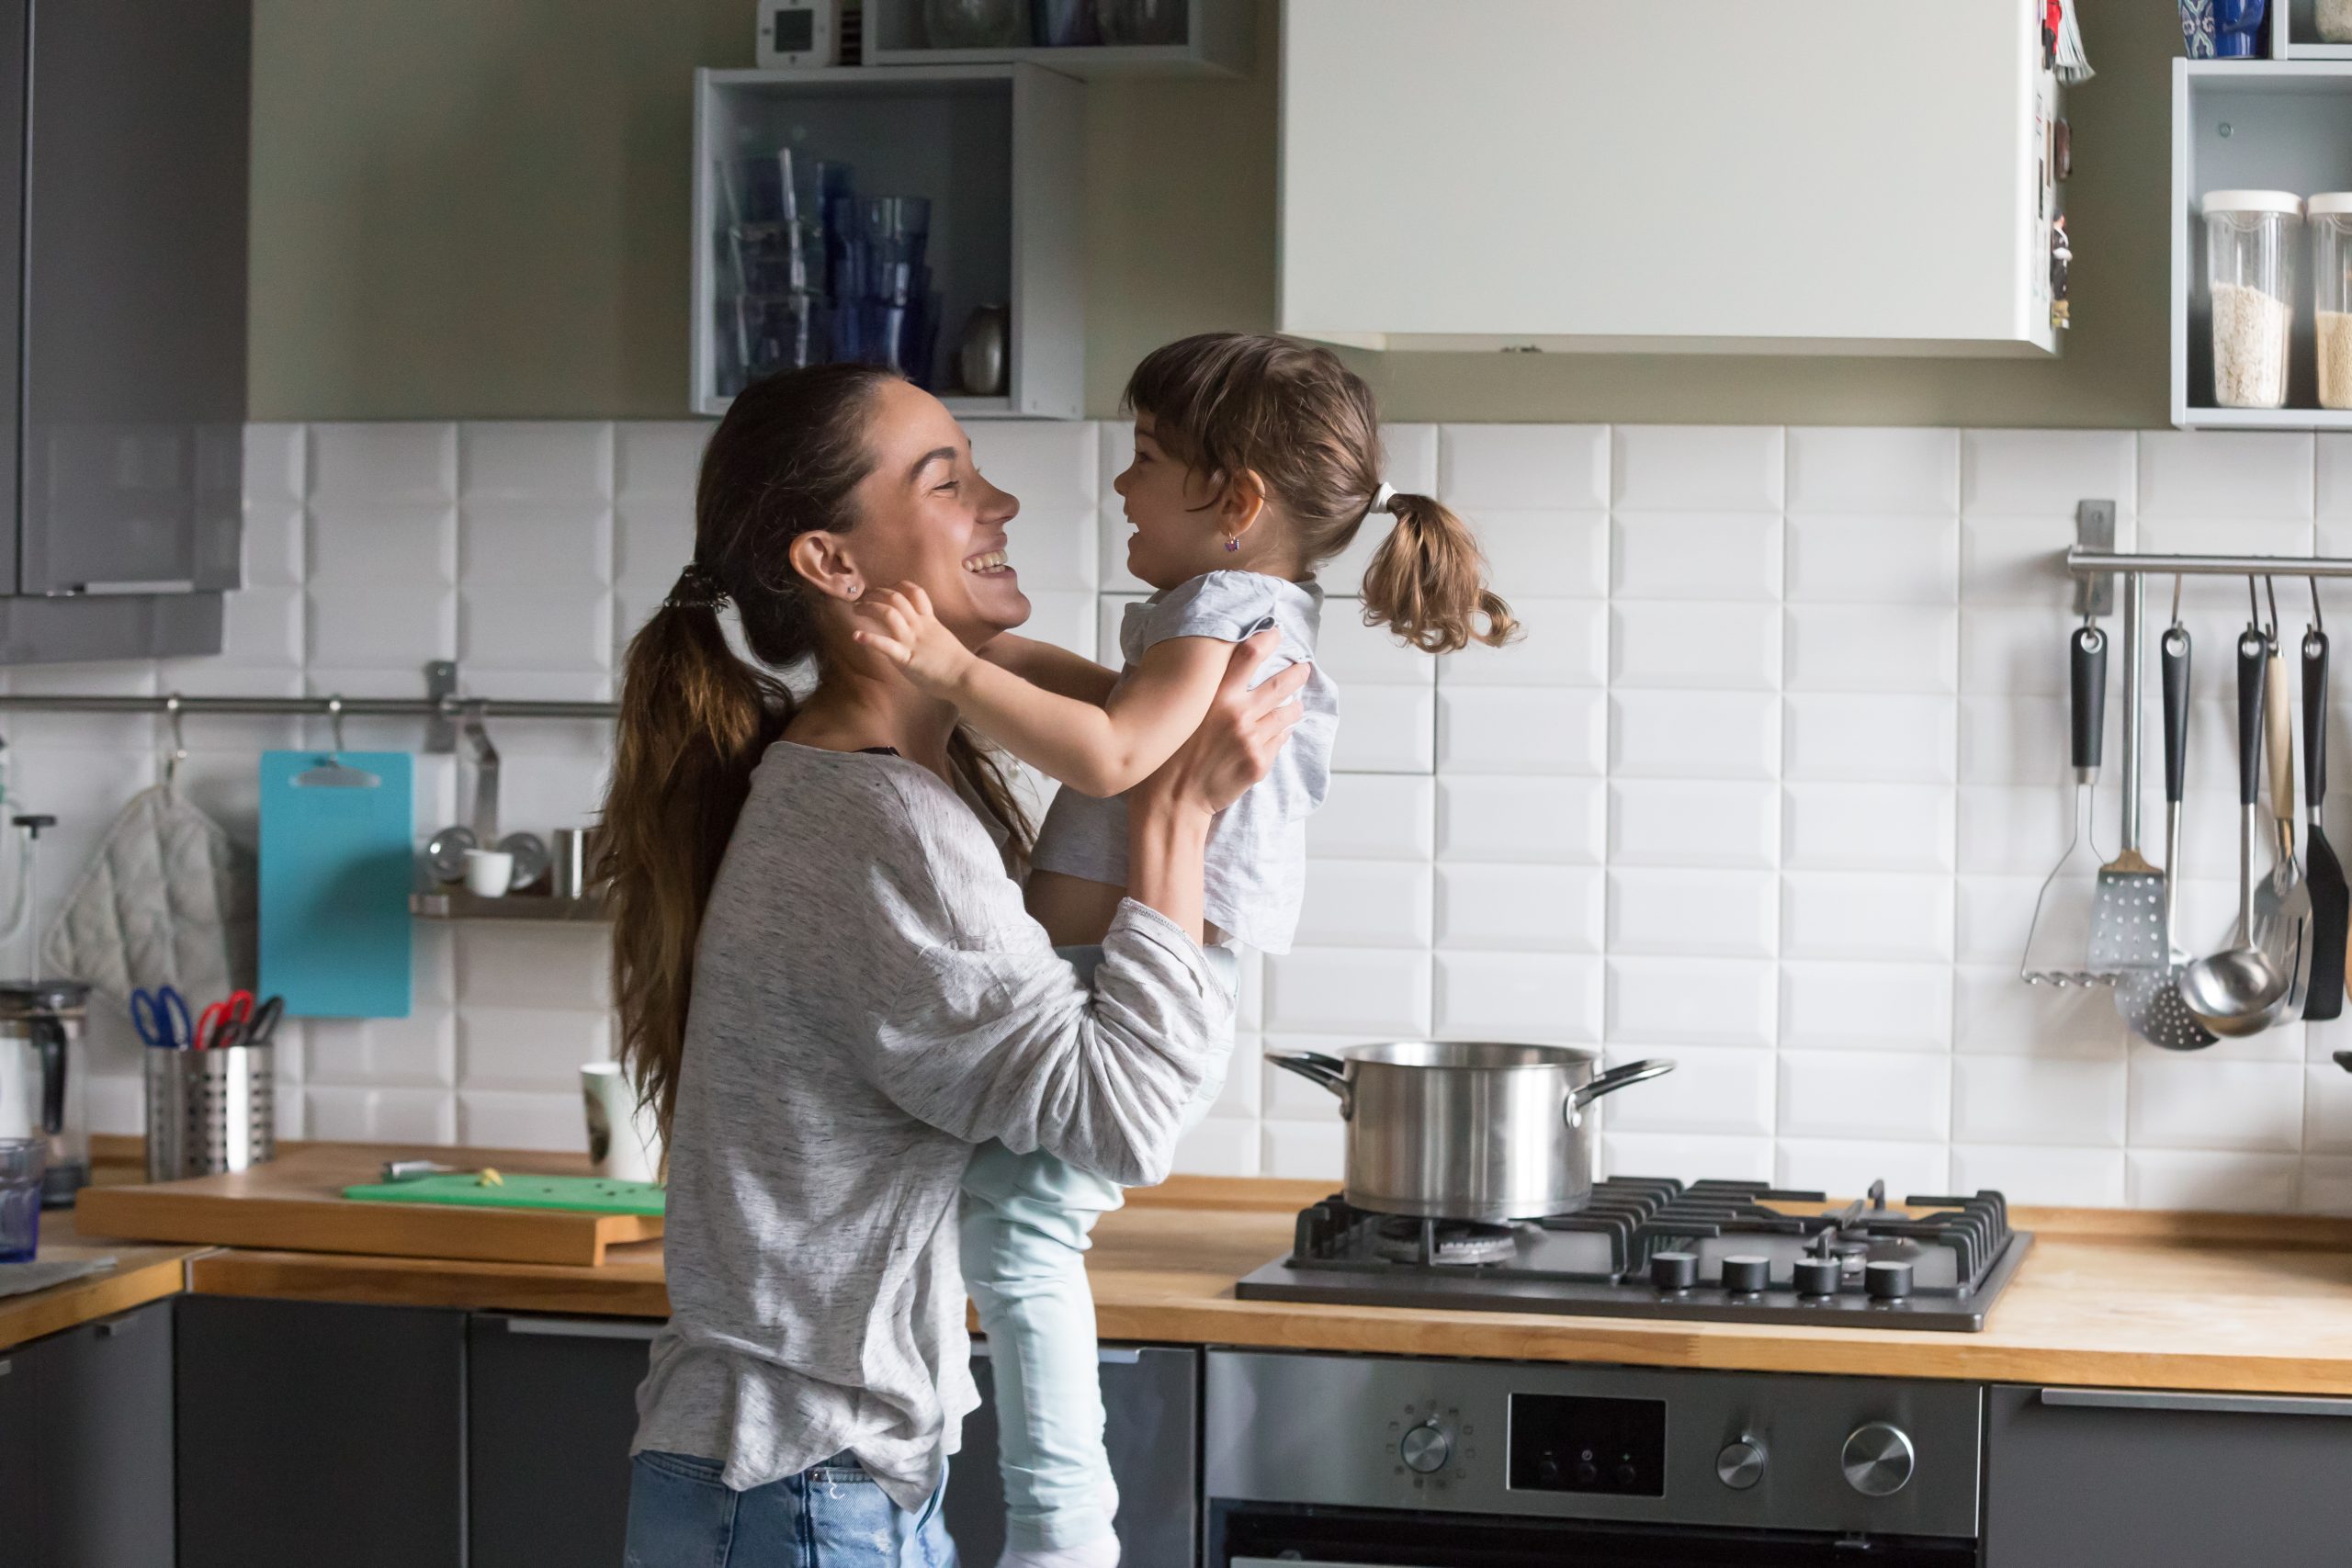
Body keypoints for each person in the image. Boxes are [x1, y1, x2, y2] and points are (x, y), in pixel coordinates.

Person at [600, 360, 1309, 1568]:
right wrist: (1179, 817)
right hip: (802, 1487)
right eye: (950, 482)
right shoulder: (880, 823)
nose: (1002, 505)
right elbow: (1123, 1119)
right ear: (833, 564)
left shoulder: (889, 788)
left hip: (810, 1479)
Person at [854, 332, 1518, 1568]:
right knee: (1005, 1223)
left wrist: (947, 657)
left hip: (1134, 987)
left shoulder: (1225, 613)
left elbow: (1111, 758)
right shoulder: (1228, 611)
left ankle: (1062, 1525)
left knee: (1020, 1234)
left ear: (1236, 503)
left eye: (1147, 459)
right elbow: (1118, 712)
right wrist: (975, 649)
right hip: (1111, 979)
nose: (1119, 485)